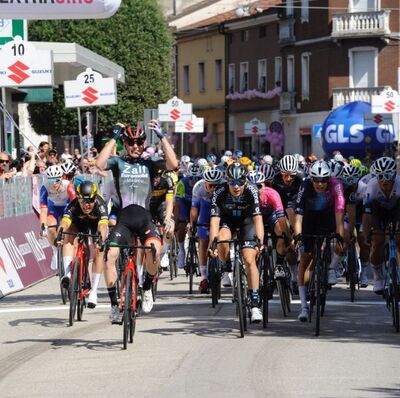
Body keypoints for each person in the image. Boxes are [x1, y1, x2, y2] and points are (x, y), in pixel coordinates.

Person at [96, 120, 178, 322]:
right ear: (125, 143)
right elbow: (99, 164)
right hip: (124, 219)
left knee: (154, 250)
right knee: (110, 257)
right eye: (131, 142)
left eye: (139, 142)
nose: (135, 146)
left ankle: (147, 287)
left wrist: (162, 137)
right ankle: (115, 305)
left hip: (144, 218)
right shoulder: (118, 163)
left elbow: (174, 164)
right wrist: (114, 137)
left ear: (144, 144)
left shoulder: (150, 164)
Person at [208, 162, 264, 323]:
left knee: (249, 259)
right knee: (222, 238)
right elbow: (214, 222)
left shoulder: (252, 190)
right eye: (232, 182)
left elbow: (258, 219)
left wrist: (260, 242)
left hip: (247, 223)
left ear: (245, 181)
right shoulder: (220, 191)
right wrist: (213, 245)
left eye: (240, 182)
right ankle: (226, 265)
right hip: (228, 222)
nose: (236, 186)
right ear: (227, 181)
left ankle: (254, 304)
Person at [293, 160, 345, 321]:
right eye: (316, 179)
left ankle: (330, 269)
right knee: (305, 259)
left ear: (328, 179)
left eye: (323, 180)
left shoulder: (336, 185)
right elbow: (298, 216)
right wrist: (298, 236)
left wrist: (339, 236)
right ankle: (303, 307)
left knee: (342, 240)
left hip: (329, 217)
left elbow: (339, 213)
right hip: (310, 219)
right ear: (311, 178)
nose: (320, 184)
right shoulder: (305, 185)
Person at [56, 181, 108, 308]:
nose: (87, 205)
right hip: (79, 224)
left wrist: (101, 237)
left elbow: (103, 225)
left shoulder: (100, 205)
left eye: (90, 201)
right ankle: (68, 274)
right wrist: (60, 231)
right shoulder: (73, 205)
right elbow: (65, 222)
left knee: (99, 249)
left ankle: (94, 292)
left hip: (96, 224)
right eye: (83, 201)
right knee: (68, 233)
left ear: (95, 198)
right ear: (78, 199)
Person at [362, 157, 400, 294]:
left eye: (388, 176)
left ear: (394, 176)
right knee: (377, 242)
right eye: (380, 176)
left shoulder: (399, 185)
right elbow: (366, 214)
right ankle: (378, 276)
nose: (384, 180)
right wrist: (367, 234)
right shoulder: (371, 186)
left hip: (397, 208)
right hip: (378, 210)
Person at [189, 166, 224, 293]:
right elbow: (194, 209)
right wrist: (192, 224)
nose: (213, 189)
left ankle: (224, 264)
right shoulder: (198, 187)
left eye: (216, 185)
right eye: (210, 186)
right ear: (205, 183)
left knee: (222, 239)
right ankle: (204, 277)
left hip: (221, 211)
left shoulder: (224, 186)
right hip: (205, 212)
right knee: (203, 243)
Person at [39, 165, 76, 270]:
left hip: (66, 208)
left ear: (61, 178)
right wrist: (42, 225)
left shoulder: (68, 185)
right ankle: (55, 251)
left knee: (67, 228)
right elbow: (43, 208)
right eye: (50, 180)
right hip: (53, 208)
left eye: (56, 180)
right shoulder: (45, 187)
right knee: (50, 227)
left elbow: (75, 204)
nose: (53, 183)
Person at [174, 163, 203, 268]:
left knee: (202, 229)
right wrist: (177, 219)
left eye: (197, 178)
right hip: (185, 205)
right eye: (191, 178)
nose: (194, 181)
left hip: (199, 206)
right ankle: (181, 251)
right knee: (181, 225)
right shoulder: (182, 183)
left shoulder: (204, 184)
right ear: (187, 176)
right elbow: (178, 203)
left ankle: (202, 254)